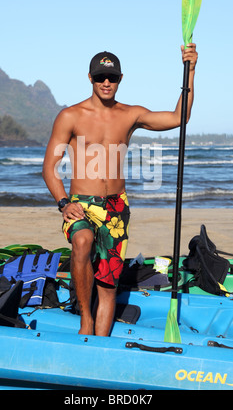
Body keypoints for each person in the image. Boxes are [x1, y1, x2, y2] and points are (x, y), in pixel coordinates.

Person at [42, 44, 198, 336]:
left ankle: (100, 346)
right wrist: (64, 203)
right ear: (90, 78)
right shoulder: (70, 116)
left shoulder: (130, 114)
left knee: (108, 286)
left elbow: (180, 118)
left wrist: (190, 70)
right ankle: (85, 318)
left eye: (111, 77)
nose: (106, 82)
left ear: (120, 79)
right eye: (100, 76)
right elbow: (49, 168)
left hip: (116, 207)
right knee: (83, 241)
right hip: (80, 204)